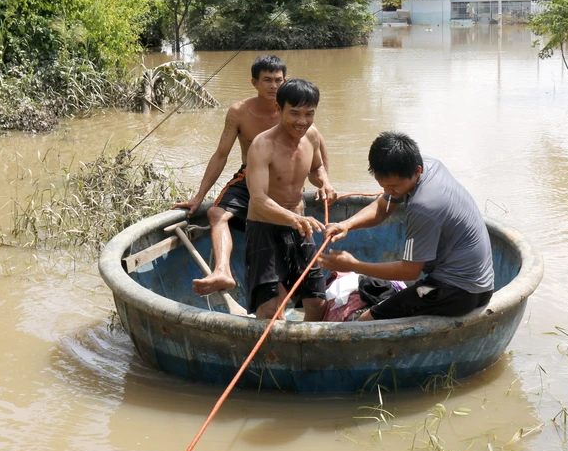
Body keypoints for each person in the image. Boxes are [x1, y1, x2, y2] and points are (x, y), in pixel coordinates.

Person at [173, 55, 333, 296]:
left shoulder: (300, 115)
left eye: (278, 80)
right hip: (250, 177)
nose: (273, 86)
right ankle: (222, 271)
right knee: (216, 212)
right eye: (267, 80)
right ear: (254, 83)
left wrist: (326, 183)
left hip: (284, 180)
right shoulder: (240, 112)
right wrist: (199, 196)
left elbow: (317, 158)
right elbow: (221, 154)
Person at [319, 132, 494, 321]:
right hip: (478, 282)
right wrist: (346, 225)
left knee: (365, 320)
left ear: (417, 171)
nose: (388, 192)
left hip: (460, 292)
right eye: (383, 185)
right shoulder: (428, 164)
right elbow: (382, 208)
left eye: (394, 187)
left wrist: (354, 265)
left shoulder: (424, 206)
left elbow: (409, 271)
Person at [244, 78, 333, 320]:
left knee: (317, 303)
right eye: (294, 113)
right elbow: (259, 199)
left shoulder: (312, 136)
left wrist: (324, 182)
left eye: (309, 113)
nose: (301, 121)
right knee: (271, 310)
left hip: (299, 227)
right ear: (278, 109)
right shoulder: (263, 145)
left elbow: (316, 168)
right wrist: (293, 218)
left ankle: (306, 354)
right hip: (265, 228)